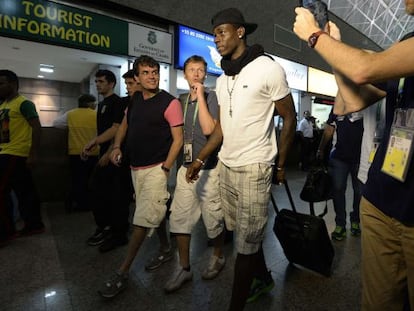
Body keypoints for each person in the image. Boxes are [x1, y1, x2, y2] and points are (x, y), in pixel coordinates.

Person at [294, 4, 414, 310]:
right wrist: (333, 53)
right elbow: (350, 101)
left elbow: (364, 68)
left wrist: (315, 36)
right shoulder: (407, 41)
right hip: (381, 201)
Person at [186, 8, 296, 311]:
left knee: (244, 249)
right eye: (214, 33)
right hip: (227, 165)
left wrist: (281, 165)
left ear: (240, 32)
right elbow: (222, 127)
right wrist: (200, 159)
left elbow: (289, 117)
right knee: (244, 236)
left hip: (254, 167)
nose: (217, 38)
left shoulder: (267, 68)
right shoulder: (223, 79)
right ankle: (264, 279)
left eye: (223, 31)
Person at [98, 55, 183, 298]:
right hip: (136, 168)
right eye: (145, 72)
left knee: (142, 218)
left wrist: (165, 168)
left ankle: (122, 272)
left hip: (157, 169)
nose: (152, 76)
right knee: (153, 212)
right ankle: (166, 248)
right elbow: (124, 125)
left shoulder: (170, 102)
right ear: (137, 77)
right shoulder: (134, 100)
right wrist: (116, 147)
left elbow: (178, 140)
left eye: (155, 71)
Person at [164, 55, 225, 293]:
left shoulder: (212, 96)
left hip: (209, 168)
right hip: (185, 168)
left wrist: (200, 95)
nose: (196, 74)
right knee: (179, 218)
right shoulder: (180, 100)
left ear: (205, 73)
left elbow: (210, 129)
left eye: (201, 70)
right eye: (192, 70)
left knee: (213, 219)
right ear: (185, 74)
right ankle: (184, 267)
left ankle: (218, 256)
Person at [83, 69, 131, 253]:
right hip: (105, 153)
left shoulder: (117, 103)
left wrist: (108, 149)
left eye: (101, 81)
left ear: (111, 83)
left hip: (114, 156)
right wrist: (96, 146)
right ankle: (107, 228)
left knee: (114, 195)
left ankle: (115, 231)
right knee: (100, 192)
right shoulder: (102, 104)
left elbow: (117, 129)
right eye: (96, 82)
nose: (98, 85)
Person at [0, 69, 44, 246]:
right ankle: (34, 225)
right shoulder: (3, 105)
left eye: (1, 83)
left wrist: (33, 154)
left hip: (14, 153)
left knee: (1, 192)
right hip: (6, 151)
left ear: (13, 84)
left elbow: (37, 128)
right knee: (25, 192)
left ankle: (5, 232)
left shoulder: (24, 103)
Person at [316, 108, 364, 240]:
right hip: (338, 158)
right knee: (337, 190)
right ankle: (340, 224)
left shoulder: (366, 104)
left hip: (360, 158)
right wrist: (320, 149)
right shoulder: (338, 107)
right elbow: (329, 129)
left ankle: (355, 220)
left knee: (359, 191)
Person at [53, 94, 98, 212]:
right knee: (90, 180)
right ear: (89, 103)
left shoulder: (71, 114)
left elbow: (56, 124)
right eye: (94, 103)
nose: (95, 105)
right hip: (93, 153)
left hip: (75, 152)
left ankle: (75, 203)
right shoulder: (96, 115)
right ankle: (88, 203)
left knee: (77, 179)